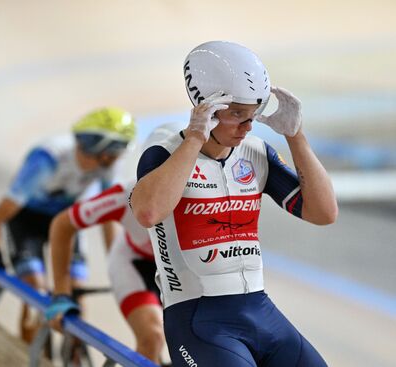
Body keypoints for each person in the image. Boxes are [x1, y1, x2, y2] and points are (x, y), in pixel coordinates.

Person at [130, 41, 338, 367]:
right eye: (237, 114)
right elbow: (147, 212)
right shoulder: (165, 152)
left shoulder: (256, 153)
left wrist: (295, 136)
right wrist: (195, 139)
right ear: (205, 108)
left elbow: (324, 213)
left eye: (253, 114)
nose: (248, 126)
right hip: (197, 316)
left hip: (259, 309)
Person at [0, 107, 136, 344]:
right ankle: (30, 349)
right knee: (34, 289)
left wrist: (116, 263)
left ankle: (74, 349)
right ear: (99, 150)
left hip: (65, 222)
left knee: (76, 294)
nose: (114, 162)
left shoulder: (106, 164)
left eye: (116, 157)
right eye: (112, 156)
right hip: (27, 221)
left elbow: (108, 217)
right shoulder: (46, 160)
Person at [44, 123, 183, 364]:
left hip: (180, 272)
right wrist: (61, 293)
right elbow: (62, 225)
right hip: (133, 263)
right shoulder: (126, 194)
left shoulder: (211, 194)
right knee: (152, 337)